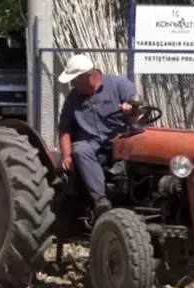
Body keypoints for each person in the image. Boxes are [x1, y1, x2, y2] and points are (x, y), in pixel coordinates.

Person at [57, 54, 138, 217]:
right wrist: (66, 156)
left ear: (88, 76)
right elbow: (64, 129)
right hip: (92, 147)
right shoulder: (73, 98)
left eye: (74, 80)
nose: (72, 84)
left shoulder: (119, 85)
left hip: (120, 143)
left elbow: (140, 110)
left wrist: (132, 110)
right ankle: (101, 201)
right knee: (80, 149)